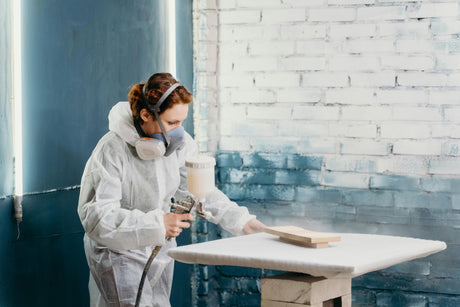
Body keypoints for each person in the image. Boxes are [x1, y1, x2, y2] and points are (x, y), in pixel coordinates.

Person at [78, 72, 265, 307]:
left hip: (158, 249)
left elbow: (199, 191)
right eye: (172, 123)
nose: (179, 131)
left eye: (181, 122)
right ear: (146, 115)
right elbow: (97, 217)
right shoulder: (112, 150)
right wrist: (158, 224)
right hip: (118, 253)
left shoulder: (179, 145)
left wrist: (242, 221)